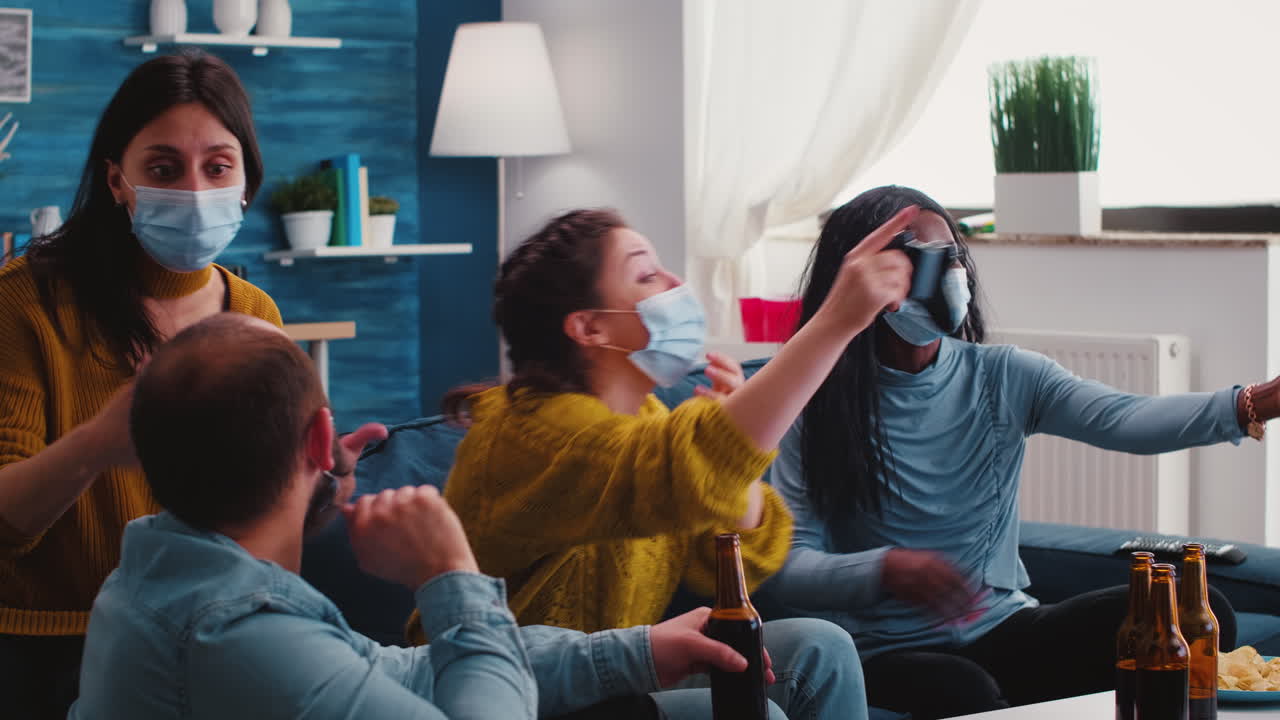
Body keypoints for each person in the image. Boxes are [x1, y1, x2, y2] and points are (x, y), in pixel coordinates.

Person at [74, 312, 820, 720]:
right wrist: (451, 574)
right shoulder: (234, 634)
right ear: (321, 441)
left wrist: (636, 650)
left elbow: (399, 669)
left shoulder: (159, 570)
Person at [767, 185, 1256, 720]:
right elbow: (787, 566)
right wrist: (885, 570)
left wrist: (1256, 402)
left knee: (1192, 618)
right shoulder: (808, 400)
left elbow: (1126, 418)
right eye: (919, 260)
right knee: (963, 690)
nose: (947, 273)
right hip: (887, 653)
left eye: (952, 256)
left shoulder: (1003, 375)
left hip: (1004, 628)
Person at [436, 207, 916, 719]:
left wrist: (737, 465)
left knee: (821, 648)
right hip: (522, 690)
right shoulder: (530, 432)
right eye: (647, 276)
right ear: (590, 327)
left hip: (621, 672)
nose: (675, 284)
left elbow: (728, 566)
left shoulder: (644, 419)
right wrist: (837, 321)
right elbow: (681, 465)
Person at [0, 50, 283, 716]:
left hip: (209, 645)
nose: (192, 190)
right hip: (44, 653)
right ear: (116, 181)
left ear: (246, 181)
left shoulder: (256, 315)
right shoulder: (24, 305)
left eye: (217, 167)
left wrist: (319, 478)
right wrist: (100, 441)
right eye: (162, 168)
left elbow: (259, 514)